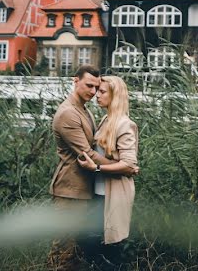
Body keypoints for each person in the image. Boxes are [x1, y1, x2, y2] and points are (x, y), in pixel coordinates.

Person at [47, 65, 120, 270]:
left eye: (96, 87)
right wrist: (121, 167)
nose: (93, 91)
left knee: (73, 250)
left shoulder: (83, 110)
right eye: (88, 85)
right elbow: (88, 153)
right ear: (75, 80)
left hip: (82, 190)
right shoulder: (68, 114)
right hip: (70, 190)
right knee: (63, 248)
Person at [78, 75, 140, 268]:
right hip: (99, 194)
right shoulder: (107, 119)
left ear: (115, 96)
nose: (97, 95)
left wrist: (96, 167)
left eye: (102, 91)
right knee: (91, 243)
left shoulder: (124, 124)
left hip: (112, 195)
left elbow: (129, 164)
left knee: (107, 248)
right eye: (97, 90)